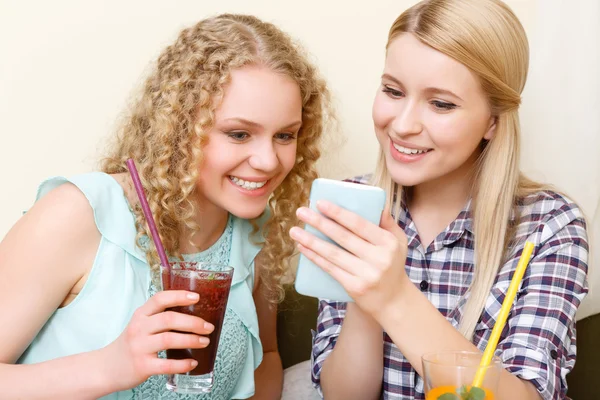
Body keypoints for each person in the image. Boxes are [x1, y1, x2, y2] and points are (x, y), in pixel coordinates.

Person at [0, 13, 332, 400]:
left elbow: (268, 359)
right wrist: (110, 366)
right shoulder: (76, 214)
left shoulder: (254, 231)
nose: (269, 161)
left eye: (285, 135)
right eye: (239, 134)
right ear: (179, 129)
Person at [289, 1, 589, 399]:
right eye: (393, 91)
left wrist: (394, 295)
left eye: (441, 103)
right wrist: (367, 300)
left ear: (493, 121)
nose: (403, 124)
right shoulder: (353, 207)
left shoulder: (549, 225)